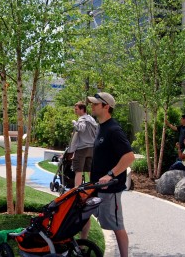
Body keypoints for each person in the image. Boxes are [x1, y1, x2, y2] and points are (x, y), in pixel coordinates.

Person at [80, 92, 135, 257]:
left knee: (117, 225)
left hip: (110, 190)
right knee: (83, 213)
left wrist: (111, 175)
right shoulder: (100, 127)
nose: (92, 106)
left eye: (96, 104)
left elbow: (129, 157)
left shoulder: (113, 129)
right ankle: (81, 248)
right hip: (95, 186)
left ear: (106, 106)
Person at [68, 101, 98, 188]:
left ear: (82, 109)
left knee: (78, 171)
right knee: (89, 170)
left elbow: (81, 128)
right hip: (91, 148)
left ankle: (76, 191)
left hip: (82, 149)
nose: (75, 111)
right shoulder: (91, 119)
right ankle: (94, 187)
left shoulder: (82, 119)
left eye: (76, 109)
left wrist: (74, 123)